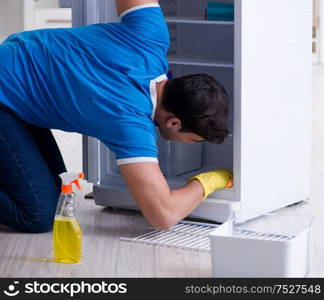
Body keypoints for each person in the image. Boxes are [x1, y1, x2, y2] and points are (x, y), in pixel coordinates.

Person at [0, 0, 232, 233]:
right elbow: (164, 215)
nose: (189, 144)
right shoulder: (131, 125)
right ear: (174, 121)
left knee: (61, 198)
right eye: (193, 140)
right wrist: (210, 181)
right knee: (38, 215)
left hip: (14, 72)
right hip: (5, 95)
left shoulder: (151, 38)